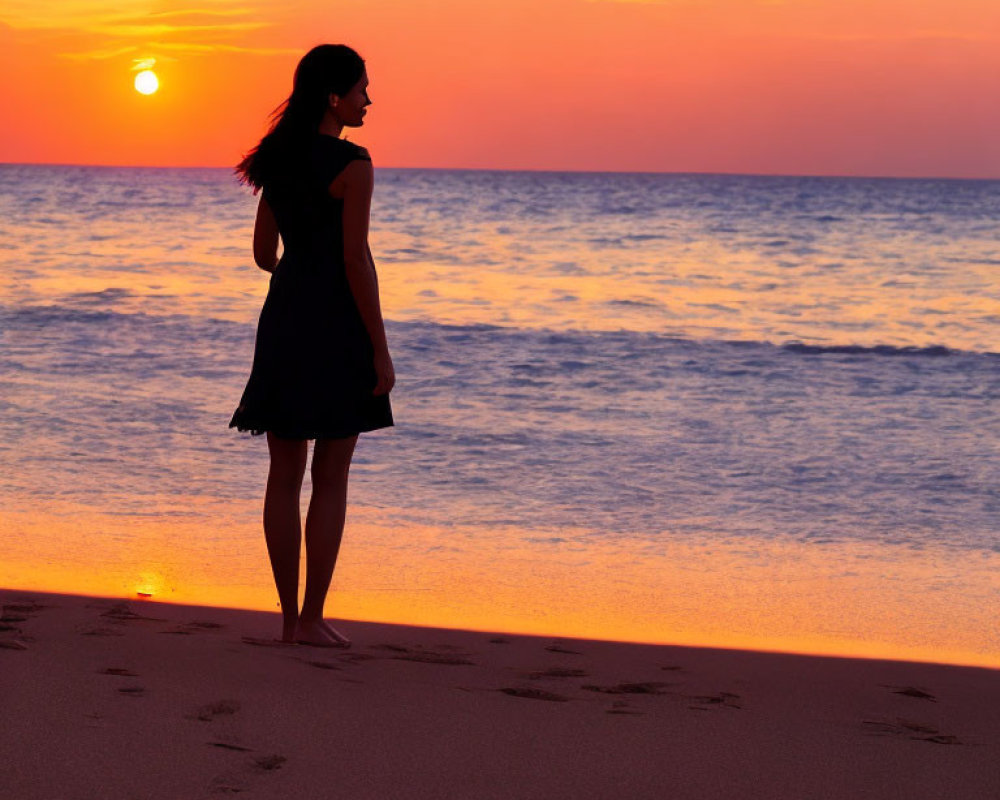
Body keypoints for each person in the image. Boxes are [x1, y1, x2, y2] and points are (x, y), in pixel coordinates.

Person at [229, 44, 394, 648]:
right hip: (338, 325)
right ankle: (311, 619)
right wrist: (380, 349)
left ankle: (285, 622)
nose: (368, 100)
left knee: (282, 476)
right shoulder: (353, 163)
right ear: (334, 96)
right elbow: (356, 261)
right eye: (361, 90)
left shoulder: (276, 159)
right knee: (331, 477)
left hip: (285, 319)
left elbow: (262, 255)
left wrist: (297, 281)